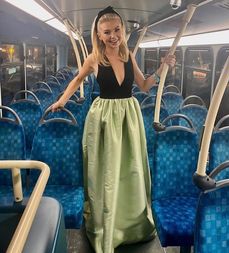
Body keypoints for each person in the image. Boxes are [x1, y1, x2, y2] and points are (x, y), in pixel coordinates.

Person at [51, 6, 175, 253]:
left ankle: (130, 225)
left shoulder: (129, 55)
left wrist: (162, 69)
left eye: (117, 29)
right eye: (107, 32)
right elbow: (77, 80)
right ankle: (106, 225)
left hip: (129, 117)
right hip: (104, 118)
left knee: (130, 170)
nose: (113, 35)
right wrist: (62, 101)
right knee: (106, 172)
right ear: (98, 34)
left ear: (123, 30)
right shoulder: (94, 58)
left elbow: (144, 85)